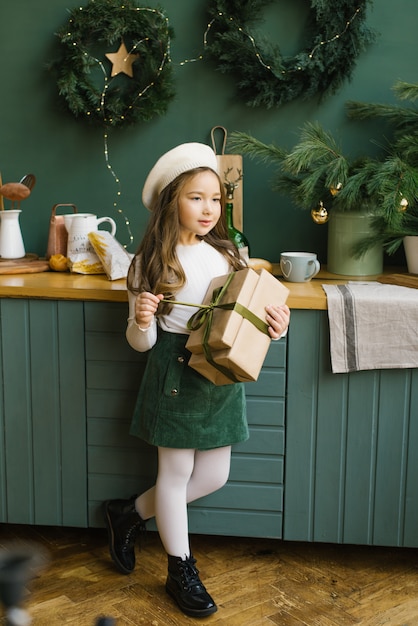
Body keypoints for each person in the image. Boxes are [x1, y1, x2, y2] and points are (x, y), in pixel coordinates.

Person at [102, 142, 290, 618]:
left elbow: (246, 317)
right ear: (172, 202)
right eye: (195, 197)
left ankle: (129, 514)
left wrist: (275, 324)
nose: (208, 209)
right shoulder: (148, 262)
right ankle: (179, 569)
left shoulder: (229, 254)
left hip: (221, 373)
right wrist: (142, 319)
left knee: (214, 475)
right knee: (176, 474)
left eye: (215, 199)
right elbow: (140, 344)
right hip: (175, 372)